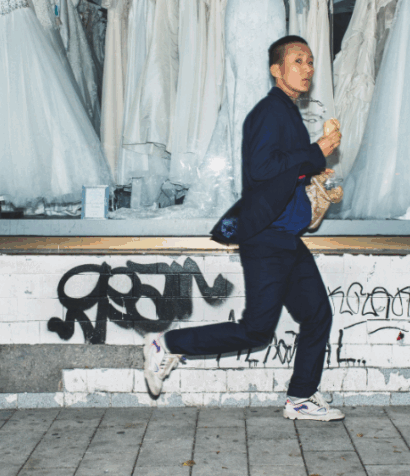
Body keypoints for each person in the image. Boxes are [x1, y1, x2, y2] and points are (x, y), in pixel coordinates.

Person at [143, 35, 345, 421]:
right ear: (276, 70)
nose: (307, 69)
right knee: (256, 331)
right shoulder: (269, 112)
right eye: (298, 61)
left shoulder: (287, 112)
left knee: (318, 313)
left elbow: (284, 169)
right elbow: (262, 169)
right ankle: (165, 344)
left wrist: (315, 168)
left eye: (310, 62)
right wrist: (315, 151)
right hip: (267, 238)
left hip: (285, 237)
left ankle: (301, 397)